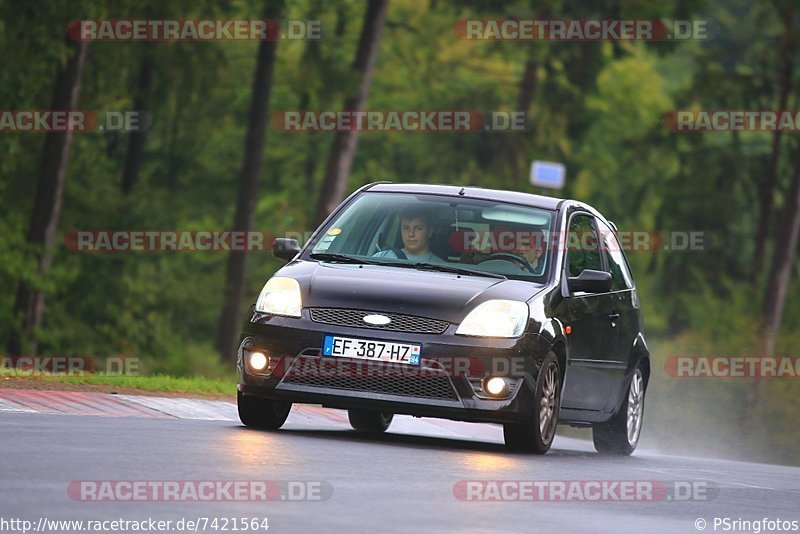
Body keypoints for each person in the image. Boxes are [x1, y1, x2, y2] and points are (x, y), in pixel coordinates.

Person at [373, 208, 444, 263]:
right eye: (406, 228)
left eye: (418, 228)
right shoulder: (380, 258)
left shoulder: (441, 267)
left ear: (429, 232)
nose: (411, 234)